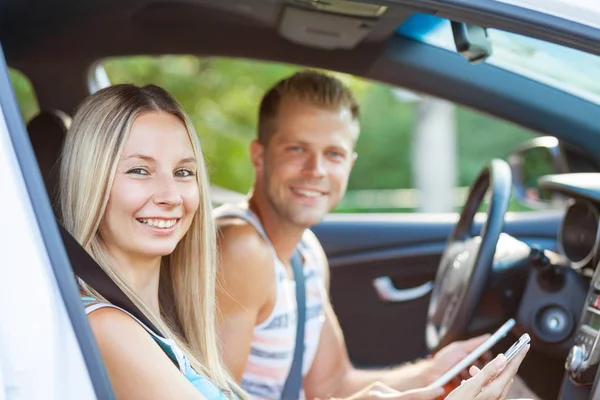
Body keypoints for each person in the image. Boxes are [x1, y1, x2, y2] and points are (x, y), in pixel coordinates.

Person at [213, 71, 535, 400]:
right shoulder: (241, 249)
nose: (317, 170)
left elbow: (332, 387)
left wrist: (433, 370)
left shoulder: (305, 252)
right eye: (297, 149)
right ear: (259, 155)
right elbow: (214, 396)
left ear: (349, 164)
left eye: (333, 154)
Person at [59, 84, 248, 400]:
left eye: (183, 172)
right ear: (90, 182)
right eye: (139, 170)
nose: (171, 196)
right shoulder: (106, 327)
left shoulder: (156, 321)